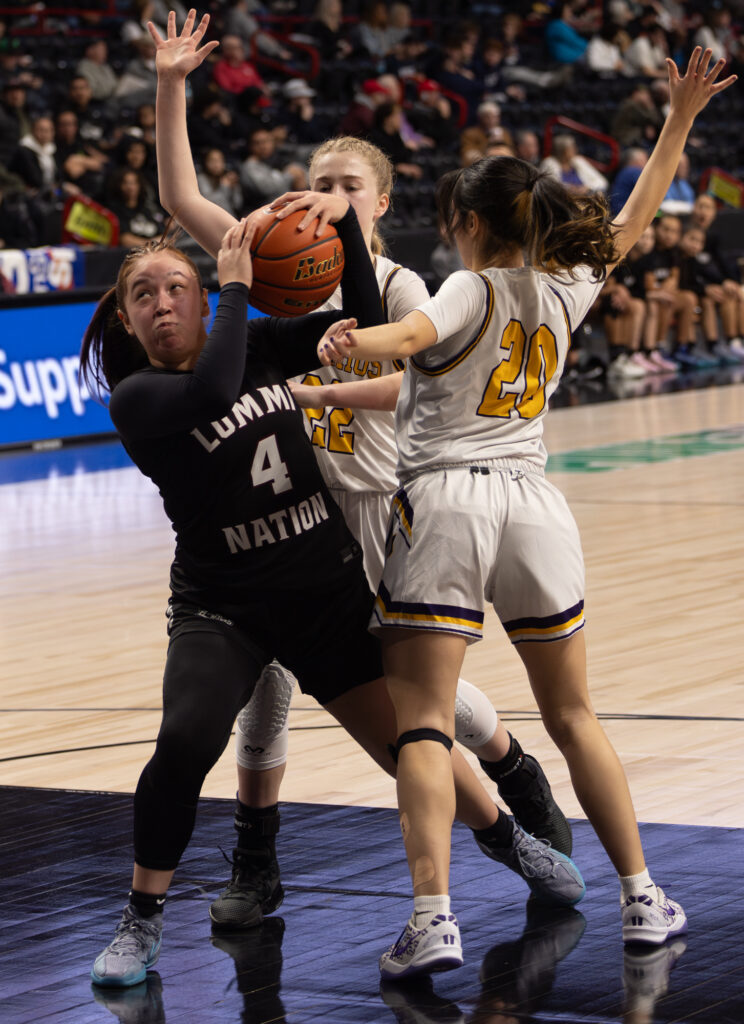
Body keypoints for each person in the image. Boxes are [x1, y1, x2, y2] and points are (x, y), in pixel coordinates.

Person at [85, 10, 587, 991]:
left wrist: (343, 243)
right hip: (226, 598)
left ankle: (505, 830)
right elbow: (215, 386)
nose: (156, 302)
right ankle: (146, 915)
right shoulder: (144, 395)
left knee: (415, 732)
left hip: (334, 559)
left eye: (169, 287)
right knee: (191, 737)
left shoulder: (313, 311)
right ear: (132, 321)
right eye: (139, 295)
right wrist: (229, 275)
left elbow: (356, 321)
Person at [313, 48, 734, 978]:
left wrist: (352, 341)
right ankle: (641, 897)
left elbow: (412, 336)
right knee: (576, 714)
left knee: (421, 723)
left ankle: (433, 919)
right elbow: (636, 212)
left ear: (466, 222)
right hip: (537, 507)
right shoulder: (567, 286)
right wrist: (678, 120)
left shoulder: (469, 280)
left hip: (449, 504)